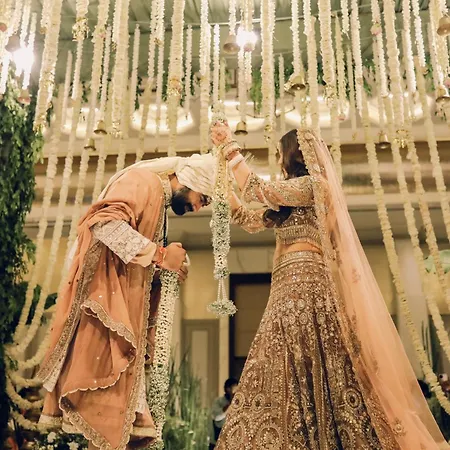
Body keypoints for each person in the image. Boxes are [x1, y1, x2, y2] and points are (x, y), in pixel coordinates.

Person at [210, 123, 449, 449]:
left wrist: (230, 149)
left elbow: (257, 189)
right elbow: (250, 219)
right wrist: (222, 191)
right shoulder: (288, 200)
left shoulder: (315, 186)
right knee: (283, 362)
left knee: (319, 359)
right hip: (282, 288)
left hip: (307, 284)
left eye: (280, 154)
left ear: (294, 155)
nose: (278, 160)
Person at [37, 154, 216, 450]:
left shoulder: (157, 200)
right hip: (104, 316)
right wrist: (160, 255)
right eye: (202, 199)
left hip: (123, 319)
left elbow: (132, 261)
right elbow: (105, 224)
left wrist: (164, 268)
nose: (197, 207)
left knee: (120, 430)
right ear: (189, 180)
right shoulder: (142, 182)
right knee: (106, 421)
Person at [209, 378, 238, 449]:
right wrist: (231, 404)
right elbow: (216, 417)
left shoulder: (239, 403)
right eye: (233, 388)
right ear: (227, 389)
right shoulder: (219, 401)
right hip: (217, 441)